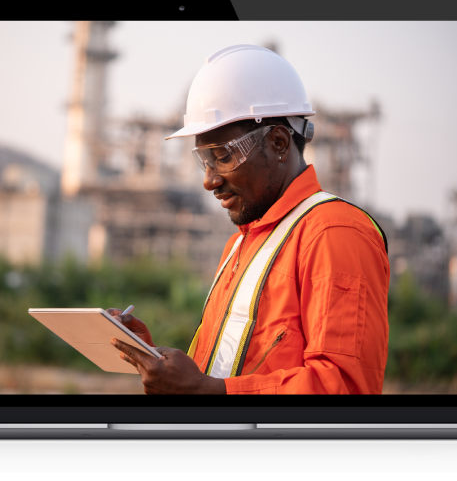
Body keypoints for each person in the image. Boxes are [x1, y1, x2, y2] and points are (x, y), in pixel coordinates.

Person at [108, 44, 389, 394]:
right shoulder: (243, 242)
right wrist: (156, 363)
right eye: (204, 161)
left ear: (278, 142)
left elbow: (345, 387)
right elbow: (227, 371)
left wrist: (204, 391)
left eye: (223, 157)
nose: (209, 180)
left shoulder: (334, 233)